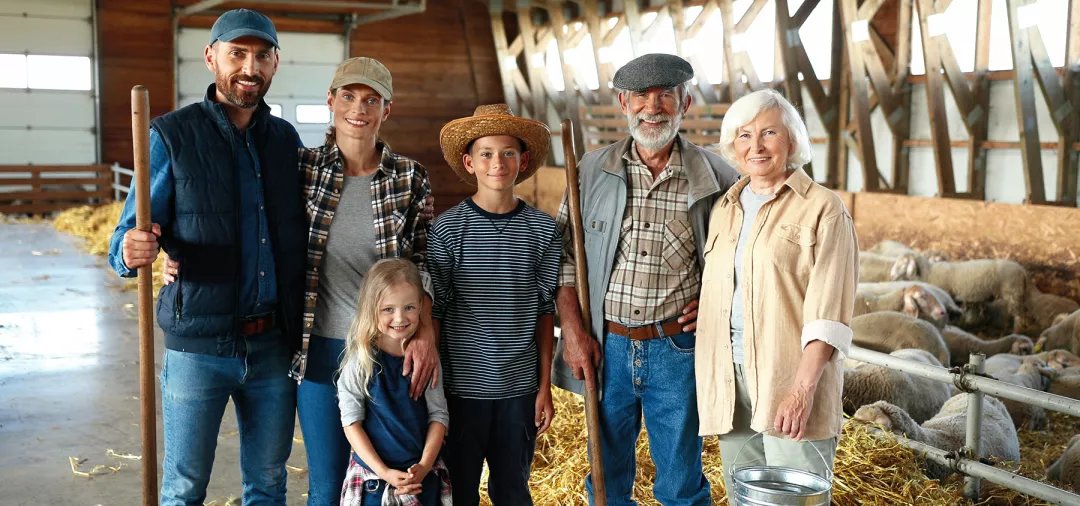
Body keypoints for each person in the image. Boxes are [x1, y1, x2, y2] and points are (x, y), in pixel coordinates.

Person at [161, 56, 441, 505]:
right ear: (331, 101)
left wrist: (426, 330)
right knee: (327, 487)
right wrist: (172, 249)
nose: (359, 108)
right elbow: (246, 221)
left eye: (372, 100)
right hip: (319, 347)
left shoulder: (410, 178)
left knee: (395, 479)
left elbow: (425, 264)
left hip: (387, 351)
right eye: (348, 96)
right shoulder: (301, 168)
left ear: (386, 110)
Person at [107, 9, 306, 505]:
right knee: (184, 487)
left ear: (276, 63)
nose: (249, 68)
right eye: (237, 54)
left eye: (261, 56)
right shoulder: (171, 136)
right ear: (211, 56)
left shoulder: (286, 142)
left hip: (273, 349)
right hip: (197, 346)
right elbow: (124, 237)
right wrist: (131, 250)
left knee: (268, 483)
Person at [552, 53, 740, 506]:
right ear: (623, 102)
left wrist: (715, 300)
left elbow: (741, 263)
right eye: (641, 96)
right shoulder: (590, 172)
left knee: (680, 479)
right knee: (606, 477)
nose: (652, 107)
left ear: (685, 102)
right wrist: (574, 332)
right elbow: (561, 262)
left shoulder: (718, 179)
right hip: (606, 345)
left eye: (665, 96)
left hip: (676, 348)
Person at [694, 88, 858, 495]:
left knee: (794, 500)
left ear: (791, 140)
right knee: (745, 496)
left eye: (768, 133)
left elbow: (829, 315)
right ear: (734, 145)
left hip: (787, 379)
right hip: (730, 382)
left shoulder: (824, 208)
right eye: (744, 135)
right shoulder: (724, 208)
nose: (756, 145)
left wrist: (800, 392)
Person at [428, 104, 560, 505]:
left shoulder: (542, 229)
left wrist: (545, 388)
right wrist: (435, 392)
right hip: (460, 389)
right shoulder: (449, 228)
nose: (497, 162)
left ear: (523, 161)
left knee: (513, 489)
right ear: (469, 162)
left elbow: (545, 310)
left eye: (507, 153)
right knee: (459, 489)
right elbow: (437, 311)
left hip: (519, 391)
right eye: (486, 153)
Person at [336, 258, 451, 505]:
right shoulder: (360, 361)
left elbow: (438, 416)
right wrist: (384, 472)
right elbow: (351, 422)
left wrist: (424, 465)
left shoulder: (427, 360)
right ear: (371, 309)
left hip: (421, 479)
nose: (400, 318)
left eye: (409, 307)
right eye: (388, 309)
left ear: (421, 306)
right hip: (373, 481)